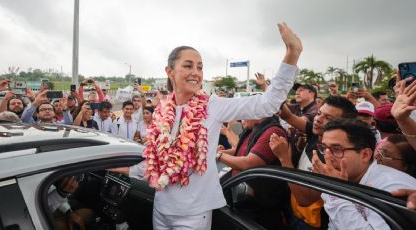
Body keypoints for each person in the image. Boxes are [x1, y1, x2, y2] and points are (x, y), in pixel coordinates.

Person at [110, 23, 302, 229]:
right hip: (161, 208)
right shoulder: (161, 112)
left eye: (200, 67)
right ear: (169, 71)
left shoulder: (213, 106)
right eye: (188, 65)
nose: (196, 72)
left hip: (193, 214)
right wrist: (106, 164)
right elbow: (154, 165)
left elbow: (268, 103)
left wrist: (292, 54)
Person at [312, 119, 416, 229]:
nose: (327, 157)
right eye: (324, 148)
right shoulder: (346, 178)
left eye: (337, 149)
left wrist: (335, 191)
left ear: (365, 155)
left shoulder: (392, 187)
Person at [272, 95, 358, 229]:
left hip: (311, 223)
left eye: (328, 118)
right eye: (319, 113)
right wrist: (274, 93)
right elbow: (287, 116)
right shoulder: (316, 133)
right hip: (295, 213)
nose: (318, 119)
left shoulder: (335, 157)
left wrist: (284, 158)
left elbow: (306, 199)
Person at [217, 116, 289, 229]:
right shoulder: (252, 128)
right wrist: (221, 153)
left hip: (259, 205)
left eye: (247, 111)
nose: (242, 118)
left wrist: (218, 155)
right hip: (242, 197)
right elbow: (240, 150)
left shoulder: (272, 132)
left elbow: (249, 163)